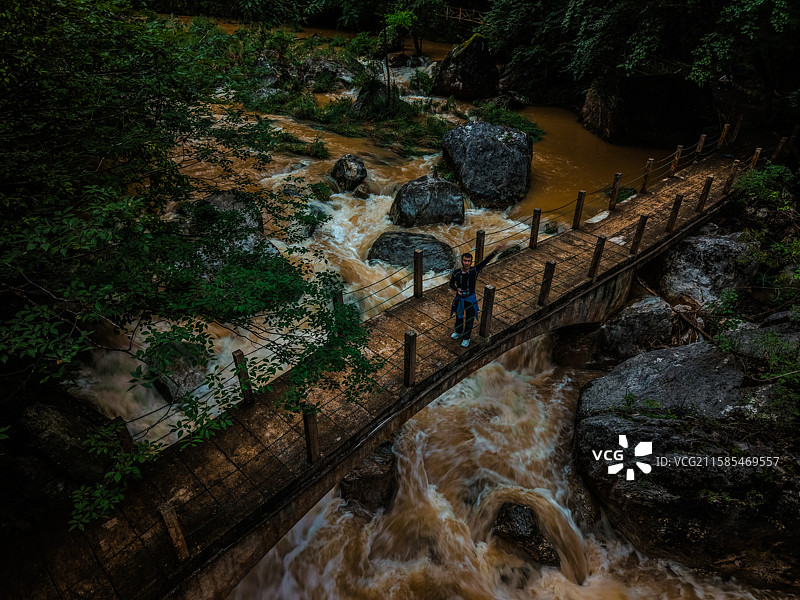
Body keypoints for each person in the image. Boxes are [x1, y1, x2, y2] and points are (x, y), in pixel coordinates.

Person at [449, 243, 506, 347]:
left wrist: (496, 251)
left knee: (469, 319)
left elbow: (485, 261)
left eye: (469, 261)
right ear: (462, 261)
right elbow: (451, 283)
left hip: (470, 299)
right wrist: (456, 289)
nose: (466, 263)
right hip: (460, 299)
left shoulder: (474, 271)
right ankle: (458, 332)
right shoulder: (456, 273)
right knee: (459, 317)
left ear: (471, 262)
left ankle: (466, 338)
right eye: (465, 261)